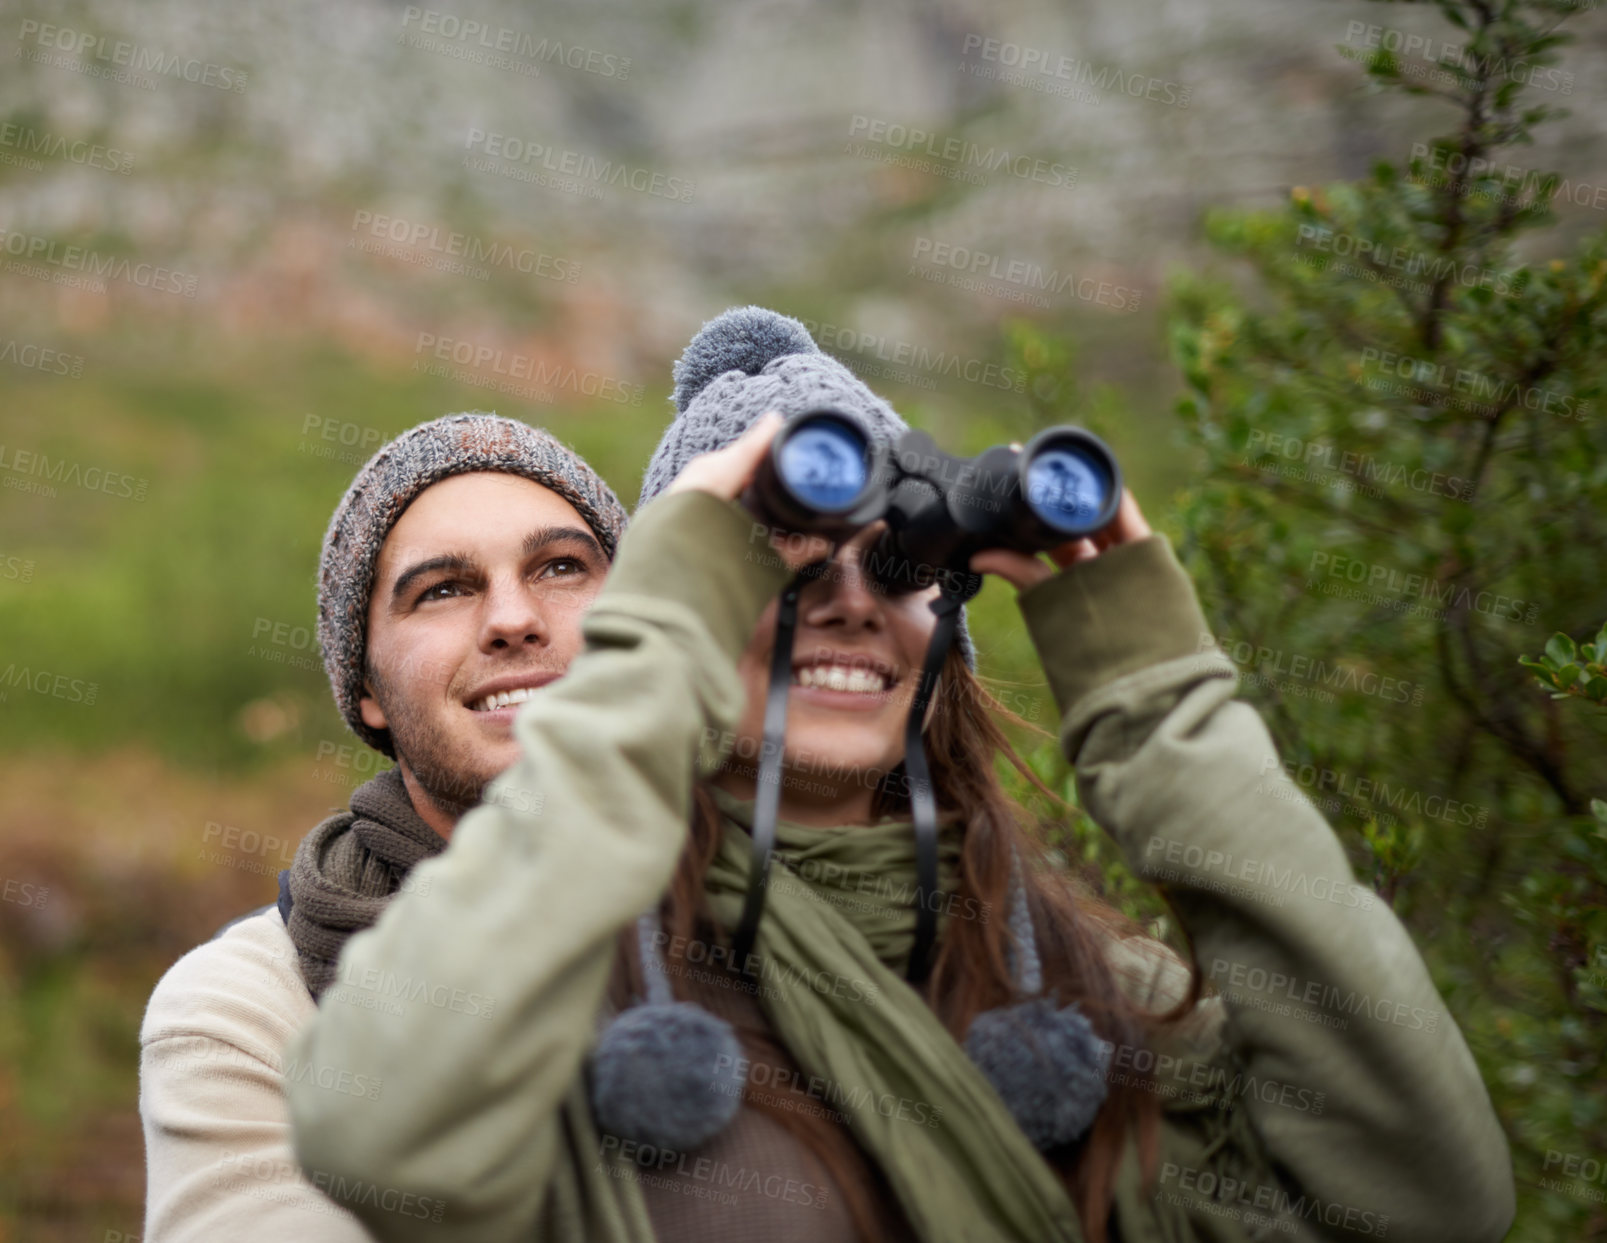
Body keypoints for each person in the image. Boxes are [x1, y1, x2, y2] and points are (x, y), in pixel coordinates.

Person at [285, 308, 1516, 1243]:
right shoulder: (560, 987)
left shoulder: (1093, 992)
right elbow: (375, 1132)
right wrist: (657, 639)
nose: (850, 604)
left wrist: (1161, 707)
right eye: (783, 564)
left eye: (898, 564)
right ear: (686, 612)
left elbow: (1433, 1201)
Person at [137, 413, 628, 1242]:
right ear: (366, 689)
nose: (513, 617)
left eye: (562, 567)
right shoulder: (247, 1012)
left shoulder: (783, 923)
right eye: (443, 588)